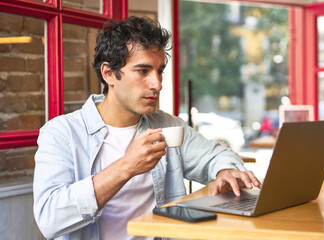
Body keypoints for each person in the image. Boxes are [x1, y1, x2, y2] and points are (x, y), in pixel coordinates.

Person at [33, 16, 260, 240]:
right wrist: (126, 167)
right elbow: (49, 219)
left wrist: (225, 170)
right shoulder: (61, 133)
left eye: (159, 71)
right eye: (143, 71)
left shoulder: (167, 125)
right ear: (109, 74)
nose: (157, 84)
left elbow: (217, 156)